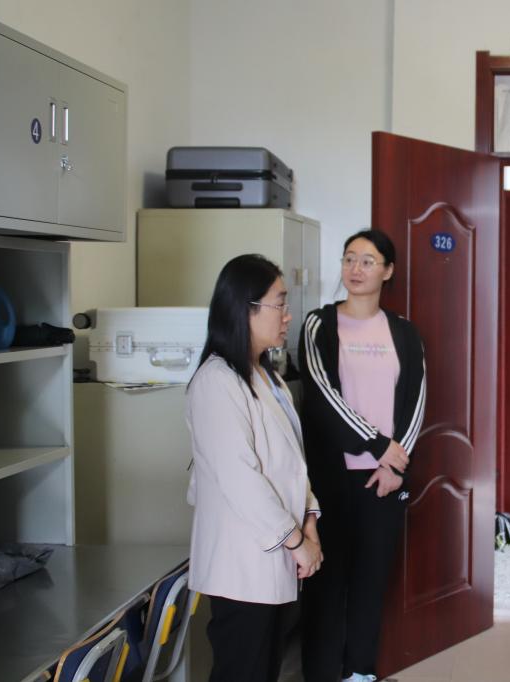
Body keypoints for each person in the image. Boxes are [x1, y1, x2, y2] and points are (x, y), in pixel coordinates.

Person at [185, 254, 323, 682]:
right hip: (241, 564)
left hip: (273, 555)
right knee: (242, 671)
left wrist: (310, 523)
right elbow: (240, 479)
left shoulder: (268, 377)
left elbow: (293, 464)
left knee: (263, 670)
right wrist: (297, 541)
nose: (288, 315)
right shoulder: (216, 382)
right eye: (279, 303)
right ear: (245, 309)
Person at [299, 229, 426, 682]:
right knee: (325, 583)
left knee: (372, 582)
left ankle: (359, 672)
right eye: (349, 258)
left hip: (383, 479)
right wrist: (378, 445)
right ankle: (321, 673)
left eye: (368, 261)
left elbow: (416, 401)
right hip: (330, 479)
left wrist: (396, 464)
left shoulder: (405, 332)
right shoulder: (319, 324)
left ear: (387, 271)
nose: (355, 269)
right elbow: (322, 394)